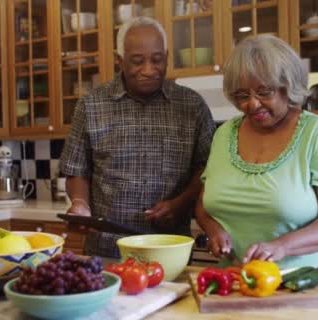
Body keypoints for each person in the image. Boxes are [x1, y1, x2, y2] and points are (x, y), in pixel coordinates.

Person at [195, 34, 318, 280]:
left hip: (306, 282)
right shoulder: (224, 134)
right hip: (241, 281)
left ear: (287, 86)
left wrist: (282, 246)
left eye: (264, 92)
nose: (252, 104)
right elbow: (204, 205)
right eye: (241, 96)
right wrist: (214, 230)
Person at [59, 17, 215, 258]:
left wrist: (181, 203)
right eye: (137, 61)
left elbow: (207, 170)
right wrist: (80, 203)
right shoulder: (91, 105)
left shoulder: (192, 106)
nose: (149, 70)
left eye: (157, 59)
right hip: (105, 250)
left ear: (167, 56)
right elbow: (76, 169)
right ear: (120, 60)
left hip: (169, 249)